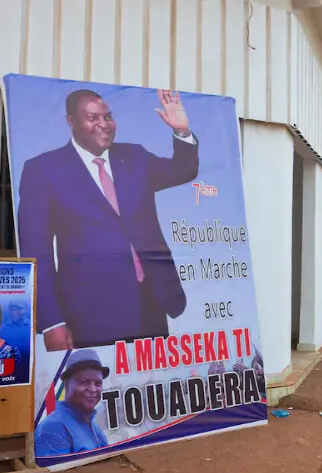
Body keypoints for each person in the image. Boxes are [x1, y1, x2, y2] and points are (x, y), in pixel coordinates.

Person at [17, 89, 199, 351]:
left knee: (149, 385)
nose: (104, 124)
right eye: (92, 118)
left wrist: (182, 131)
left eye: (108, 116)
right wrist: (51, 322)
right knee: (101, 388)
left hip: (150, 301)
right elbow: (36, 252)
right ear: (71, 121)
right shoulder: (43, 171)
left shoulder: (135, 157)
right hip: (91, 312)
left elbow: (184, 170)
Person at [35, 349, 110, 456]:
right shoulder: (53, 428)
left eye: (98, 383)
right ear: (66, 385)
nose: (93, 389)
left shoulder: (90, 421)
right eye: (84, 382)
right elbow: (58, 472)